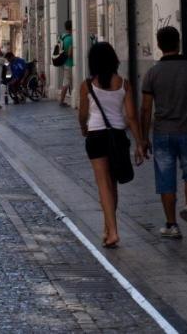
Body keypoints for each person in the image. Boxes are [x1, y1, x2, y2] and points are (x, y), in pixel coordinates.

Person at [140, 25, 187, 238]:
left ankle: (171, 225)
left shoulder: (152, 73)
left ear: (159, 46)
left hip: (162, 132)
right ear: (178, 43)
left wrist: (143, 138)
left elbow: (146, 108)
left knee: (165, 178)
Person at [79, 41, 145, 249]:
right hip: (117, 137)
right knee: (112, 184)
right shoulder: (124, 84)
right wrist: (139, 143)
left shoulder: (87, 85)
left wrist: (83, 128)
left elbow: (82, 114)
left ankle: (112, 231)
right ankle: (108, 229)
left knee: (103, 185)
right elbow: (132, 117)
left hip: (96, 135)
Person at [54, 20, 75, 107]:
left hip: (63, 63)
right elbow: (70, 54)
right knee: (66, 83)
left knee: (67, 81)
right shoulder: (70, 39)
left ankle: (63, 100)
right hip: (69, 63)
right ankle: (62, 101)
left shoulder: (62, 36)